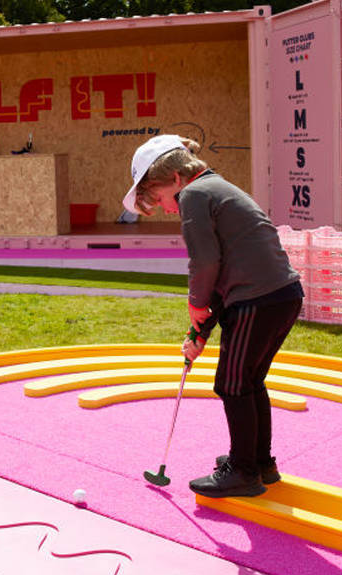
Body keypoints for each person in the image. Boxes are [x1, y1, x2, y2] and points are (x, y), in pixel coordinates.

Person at [123, 135, 303, 498]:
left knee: (232, 384)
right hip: (280, 297)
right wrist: (200, 331)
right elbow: (223, 273)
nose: (169, 209)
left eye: (161, 198)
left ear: (175, 177)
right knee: (249, 381)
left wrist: (195, 303)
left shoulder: (194, 195)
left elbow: (205, 263)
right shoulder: (216, 187)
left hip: (257, 298)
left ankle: (243, 471)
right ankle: (258, 462)